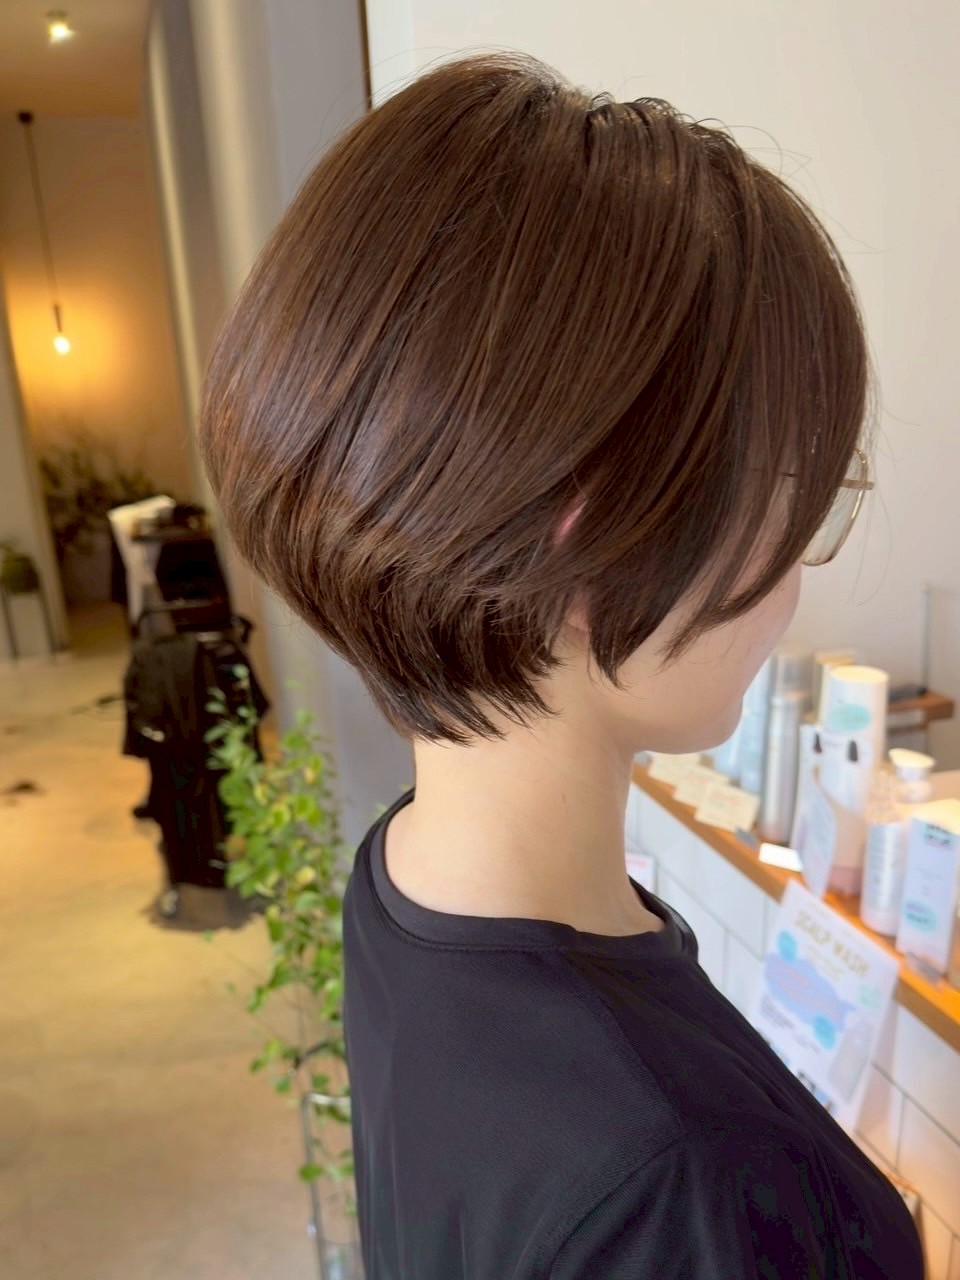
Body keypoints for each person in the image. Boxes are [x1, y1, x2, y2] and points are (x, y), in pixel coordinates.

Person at [198, 50, 923, 1279]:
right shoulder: (683, 1184)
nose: (797, 579)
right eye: (792, 495)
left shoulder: (408, 877)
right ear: (592, 533)